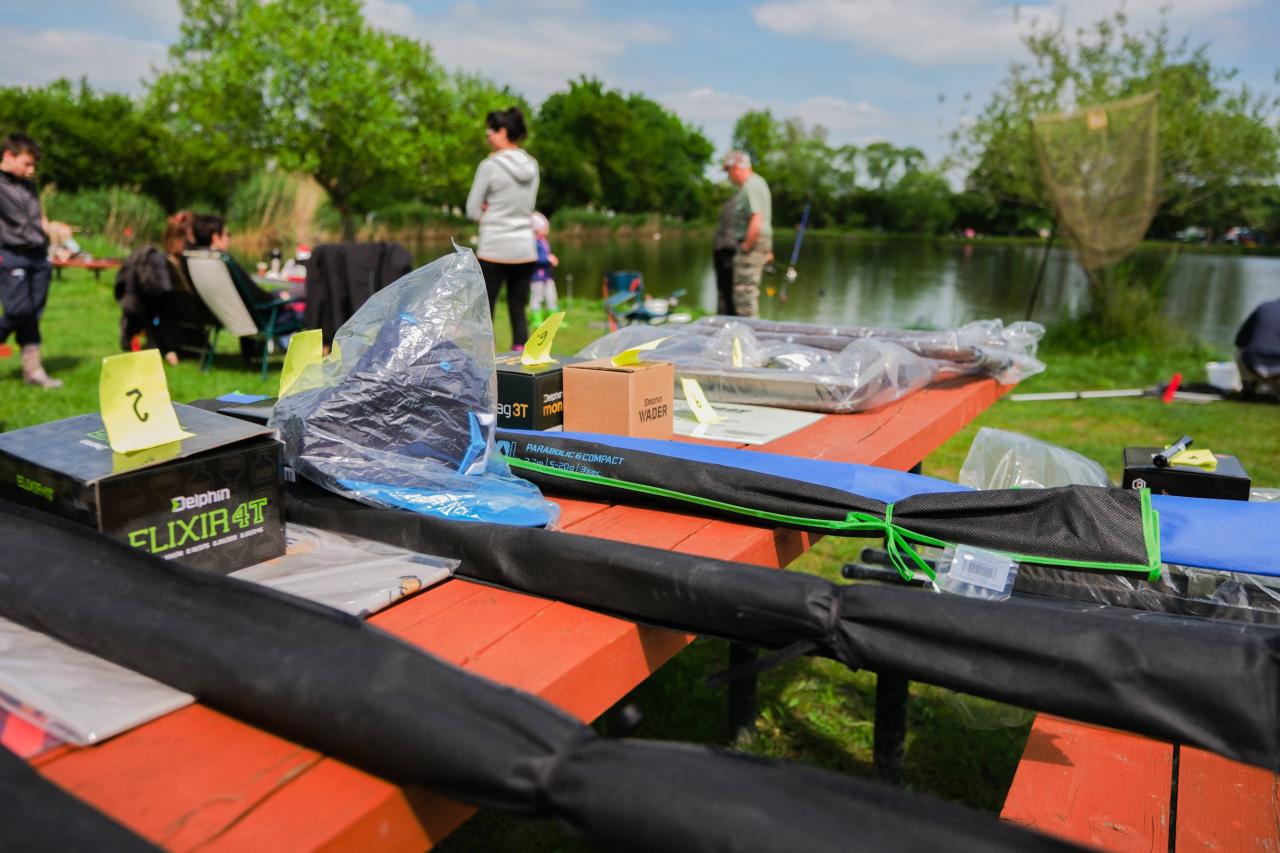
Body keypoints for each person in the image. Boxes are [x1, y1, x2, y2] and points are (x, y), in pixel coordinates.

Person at [466, 107, 539, 349]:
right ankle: (520, 361)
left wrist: (485, 209)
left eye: (490, 132)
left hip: (494, 248)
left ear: (503, 132)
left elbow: (471, 210)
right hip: (525, 248)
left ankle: (486, 363)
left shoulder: (489, 165)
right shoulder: (532, 165)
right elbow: (529, 205)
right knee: (518, 311)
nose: (487, 137)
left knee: (486, 313)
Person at [0, 132, 60, 388]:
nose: (31, 170)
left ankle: (33, 371)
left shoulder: (28, 185)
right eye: (27, 164)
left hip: (38, 256)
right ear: (8, 155)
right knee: (18, 311)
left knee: (32, 314)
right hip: (11, 254)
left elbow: (40, 219)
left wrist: (57, 235)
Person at [723, 150, 772, 318]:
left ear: (736, 168)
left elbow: (757, 220)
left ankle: (749, 331)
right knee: (747, 293)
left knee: (745, 295)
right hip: (757, 244)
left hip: (752, 244)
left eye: (728, 171)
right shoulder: (753, 184)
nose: (728, 176)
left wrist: (745, 247)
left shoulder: (752, 185)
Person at [1235, 297, 1280, 397]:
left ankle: (1248, 384)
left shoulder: (1263, 307)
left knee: (1241, 351)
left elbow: (1239, 341)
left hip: (1255, 364)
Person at [528, 211, 559, 325]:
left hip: (547, 275)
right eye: (545, 228)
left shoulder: (544, 241)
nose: (547, 231)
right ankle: (536, 320)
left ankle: (553, 320)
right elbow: (535, 259)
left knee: (552, 297)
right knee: (537, 298)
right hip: (537, 277)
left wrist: (550, 258)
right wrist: (549, 260)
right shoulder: (533, 243)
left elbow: (545, 255)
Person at [712, 194, 738, 316]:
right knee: (731, 292)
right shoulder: (740, 203)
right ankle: (731, 319)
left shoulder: (727, 204)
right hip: (730, 251)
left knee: (724, 292)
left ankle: (723, 317)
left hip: (721, 249)